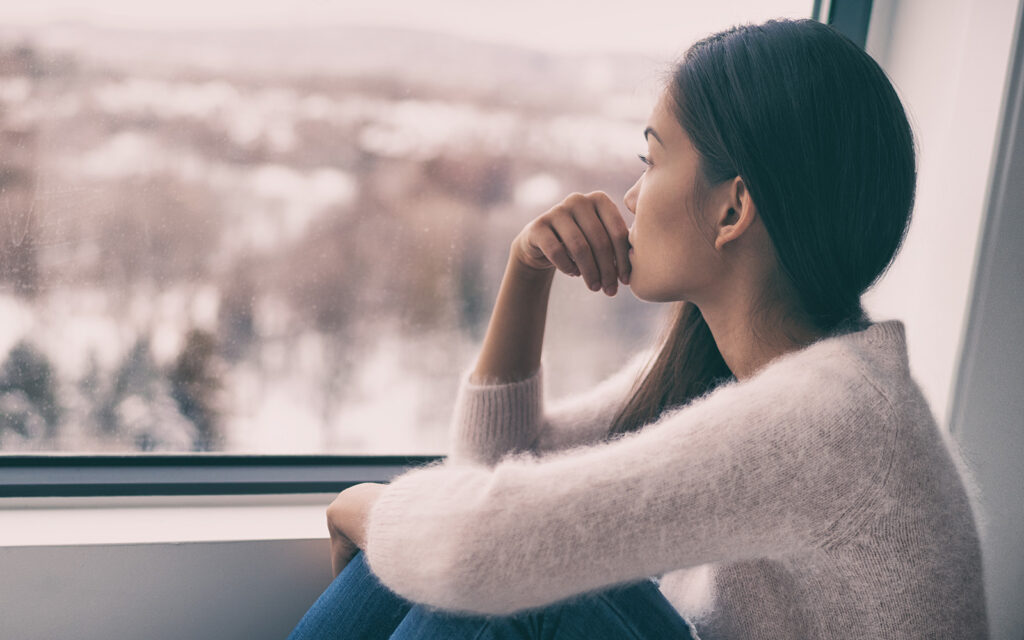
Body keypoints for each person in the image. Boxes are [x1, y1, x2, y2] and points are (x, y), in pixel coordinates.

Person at [288, 17, 988, 639]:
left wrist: (366, 510)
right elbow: (496, 474)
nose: (630, 195)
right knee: (449, 558)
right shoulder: (738, 366)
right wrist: (525, 274)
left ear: (733, 208)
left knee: (493, 576)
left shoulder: (833, 418)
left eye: (651, 161)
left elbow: (478, 550)